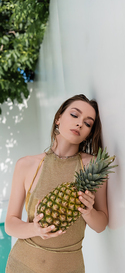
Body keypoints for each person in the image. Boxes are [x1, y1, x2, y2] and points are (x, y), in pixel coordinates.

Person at [5, 94, 108, 273]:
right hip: (21, 265)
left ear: (89, 133)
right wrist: (36, 229)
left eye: (88, 123)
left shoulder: (93, 167)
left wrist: (89, 212)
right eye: (74, 115)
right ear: (58, 118)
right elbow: (10, 224)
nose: (79, 124)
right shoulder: (26, 164)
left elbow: (101, 225)